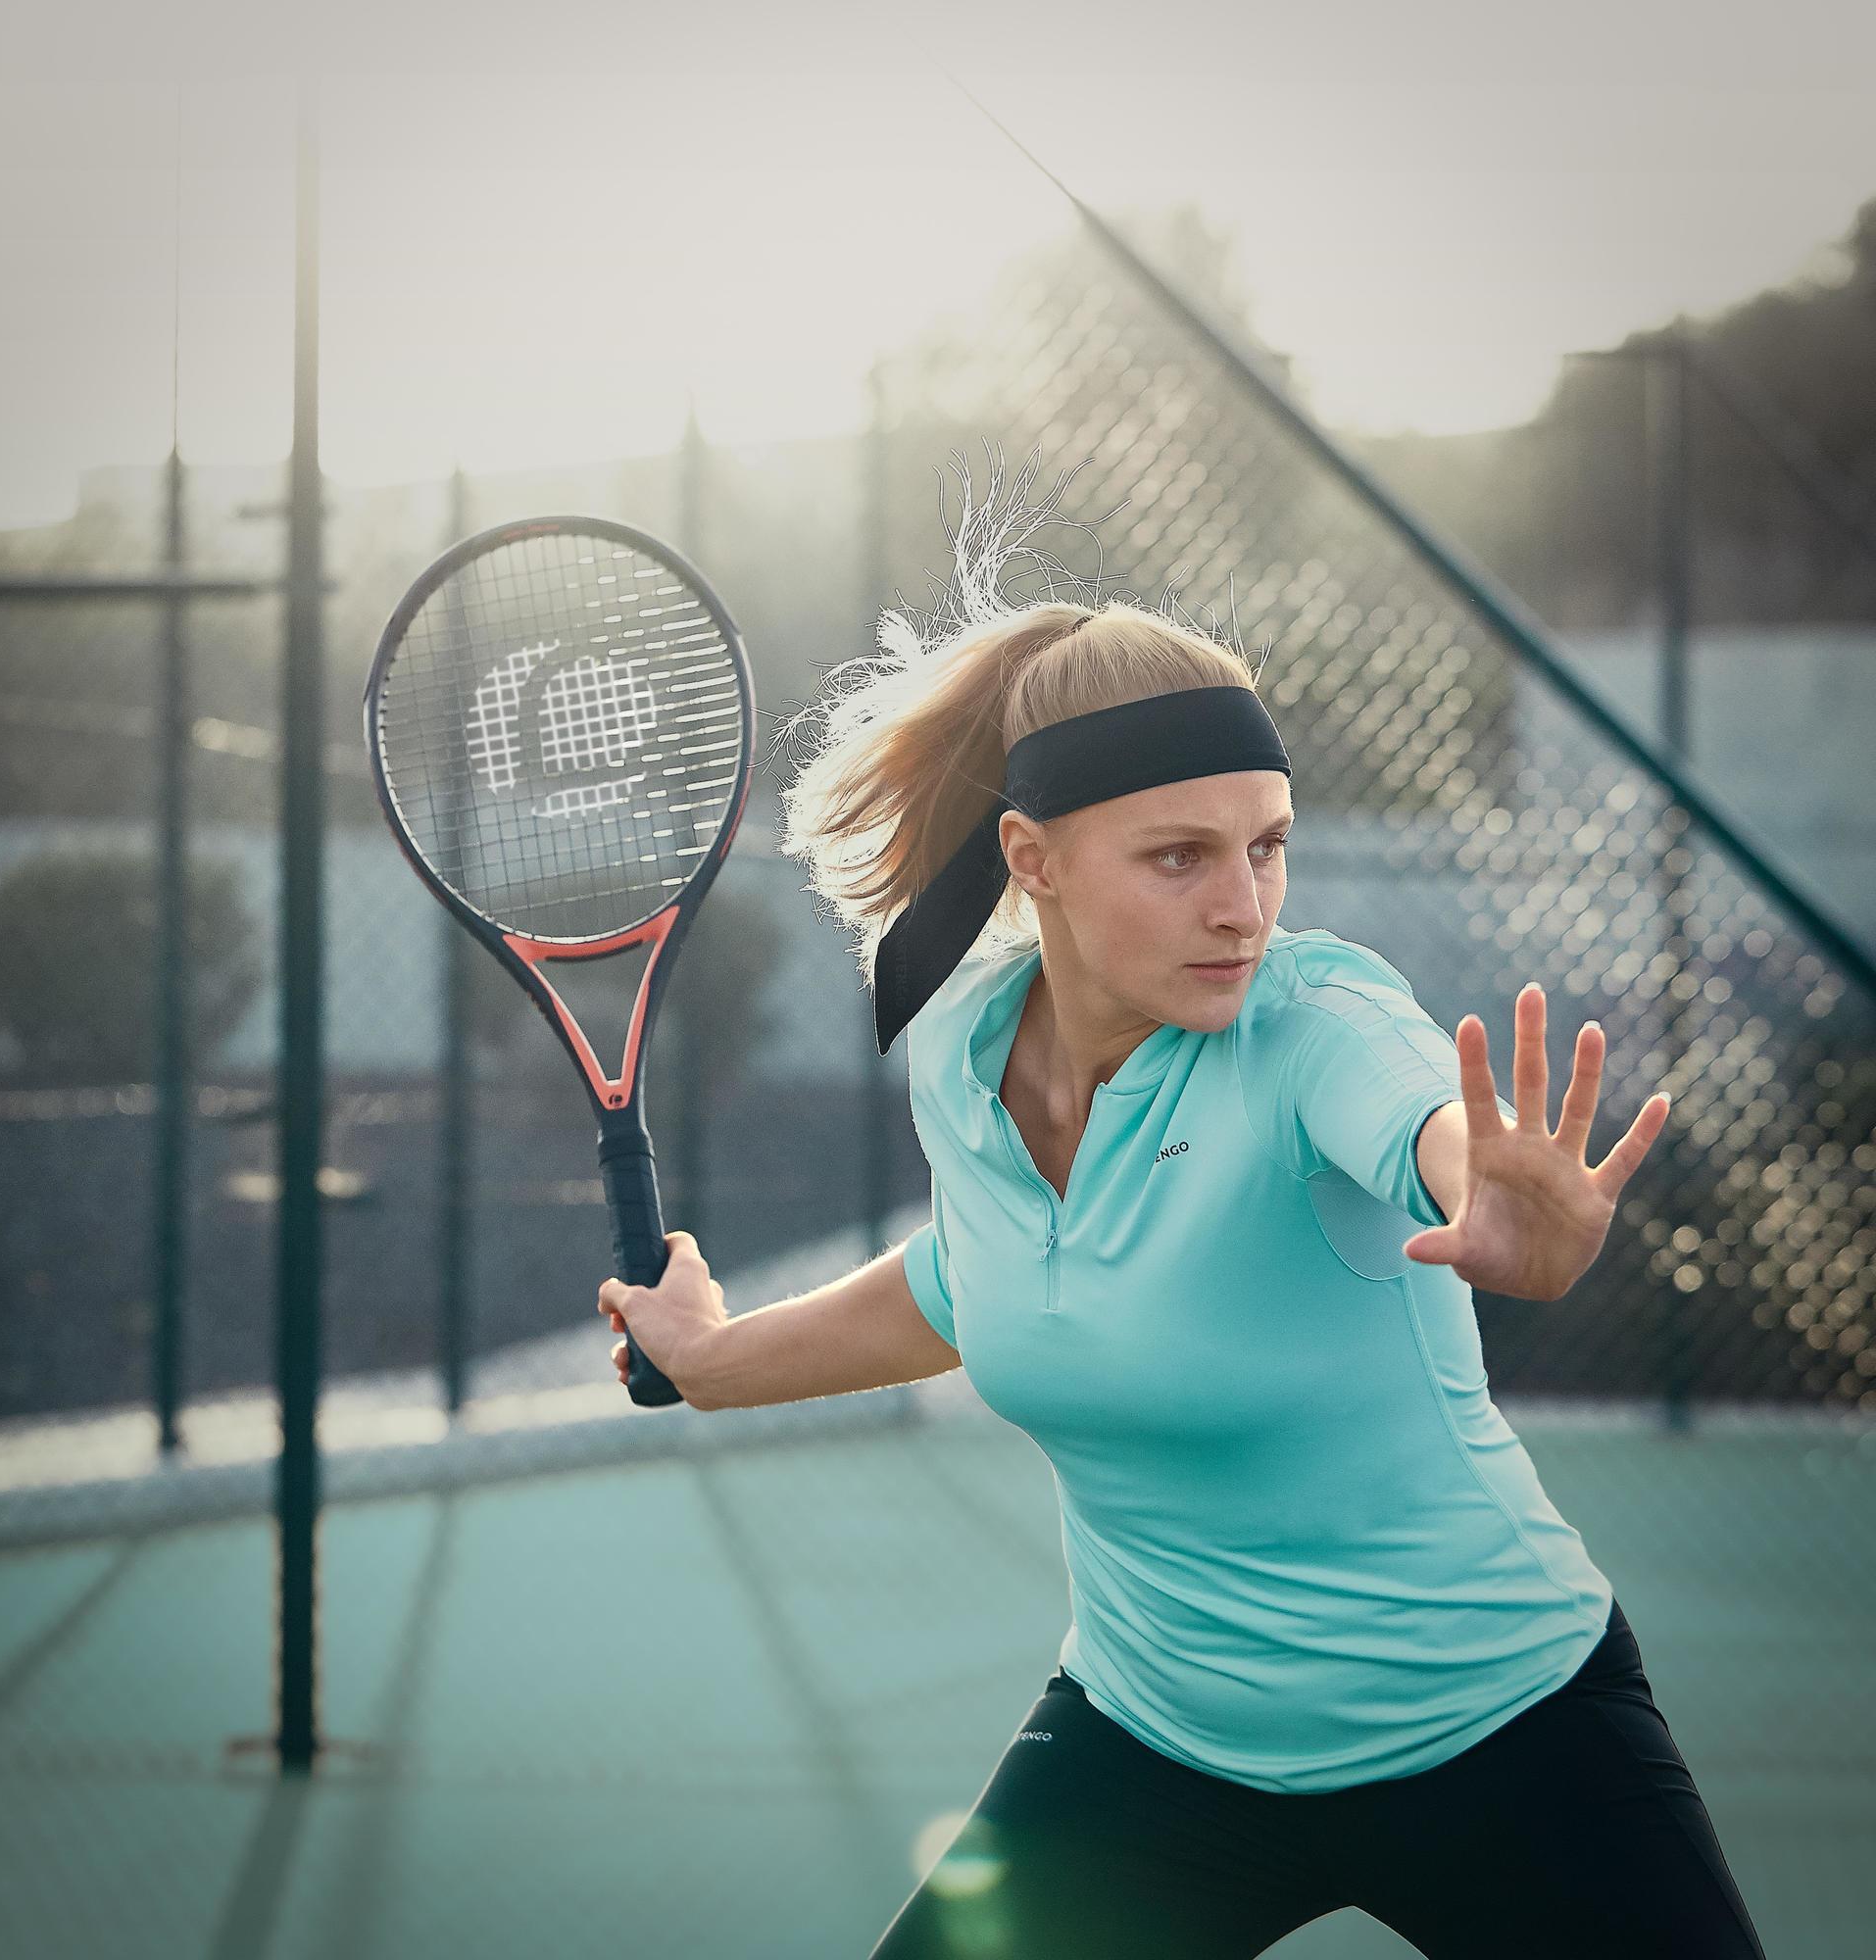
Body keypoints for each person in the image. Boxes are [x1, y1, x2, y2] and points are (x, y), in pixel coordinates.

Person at [594, 486, 1769, 1958]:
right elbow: (975, 1281)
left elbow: (1423, 1125)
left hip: (1503, 1728)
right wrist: (715, 1354)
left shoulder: (1319, 1022)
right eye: (1182, 856)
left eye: (1268, 845)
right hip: (1155, 1744)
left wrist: (1494, 1200)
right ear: (1035, 861)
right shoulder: (963, 1054)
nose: (1245, 906)